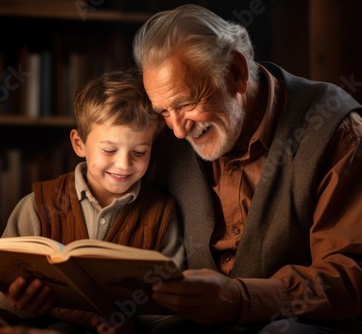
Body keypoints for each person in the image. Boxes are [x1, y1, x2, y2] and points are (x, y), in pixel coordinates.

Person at [133, 4, 362, 334]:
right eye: (165, 111)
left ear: (237, 72)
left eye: (185, 104)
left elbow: (351, 274)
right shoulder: (168, 138)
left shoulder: (336, 130)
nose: (179, 130)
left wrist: (241, 299)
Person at [0, 69, 185, 333]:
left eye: (140, 152)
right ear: (79, 143)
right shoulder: (38, 206)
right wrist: (21, 301)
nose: (124, 164)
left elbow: (170, 307)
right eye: (109, 150)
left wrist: (131, 325)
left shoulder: (162, 215)